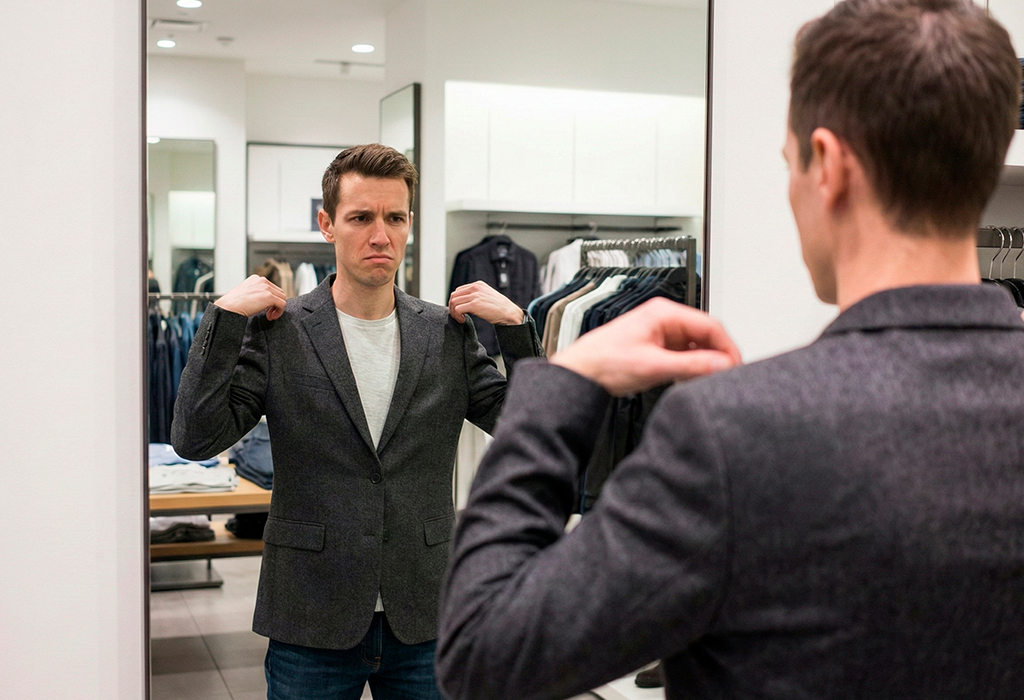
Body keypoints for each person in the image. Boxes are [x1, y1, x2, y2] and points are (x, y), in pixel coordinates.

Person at [435, 1, 1024, 699]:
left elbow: (484, 649)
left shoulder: (734, 434)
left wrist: (561, 380)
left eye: (788, 165)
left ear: (828, 165)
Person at [171, 143, 542, 700]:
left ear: (409, 224)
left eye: (394, 218)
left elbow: (536, 433)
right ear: (327, 224)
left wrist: (518, 329)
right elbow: (196, 439)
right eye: (361, 217)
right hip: (310, 614)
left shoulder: (446, 334)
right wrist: (221, 320)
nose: (380, 235)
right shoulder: (281, 331)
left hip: (424, 613)